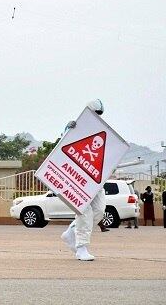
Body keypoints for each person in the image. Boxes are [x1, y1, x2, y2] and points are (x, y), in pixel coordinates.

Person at [60, 99, 107, 261]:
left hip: (95, 178)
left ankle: (71, 232)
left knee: (99, 210)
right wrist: (67, 130)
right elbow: (63, 147)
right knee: (84, 212)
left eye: (99, 114)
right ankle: (81, 248)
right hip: (78, 179)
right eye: (94, 113)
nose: (97, 116)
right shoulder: (76, 127)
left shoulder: (102, 131)